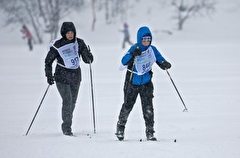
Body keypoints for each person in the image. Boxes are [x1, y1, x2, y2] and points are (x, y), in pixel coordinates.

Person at [115, 26, 171, 141]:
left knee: (148, 108)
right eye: (144, 39)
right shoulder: (134, 48)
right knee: (127, 106)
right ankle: (120, 128)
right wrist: (132, 55)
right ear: (139, 39)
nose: (146, 41)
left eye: (148, 39)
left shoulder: (152, 49)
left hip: (146, 83)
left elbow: (160, 60)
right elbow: (122, 64)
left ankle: (150, 132)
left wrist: (165, 64)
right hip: (132, 82)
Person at [44, 22, 94, 136]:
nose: (70, 35)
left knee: (73, 102)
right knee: (68, 101)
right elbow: (48, 62)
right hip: (61, 77)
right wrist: (49, 75)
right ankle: (67, 127)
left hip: (76, 77)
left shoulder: (79, 43)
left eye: (72, 32)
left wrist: (89, 56)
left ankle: (67, 122)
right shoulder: (58, 45)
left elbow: (87, 60)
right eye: (68, 32)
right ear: (63, 33)